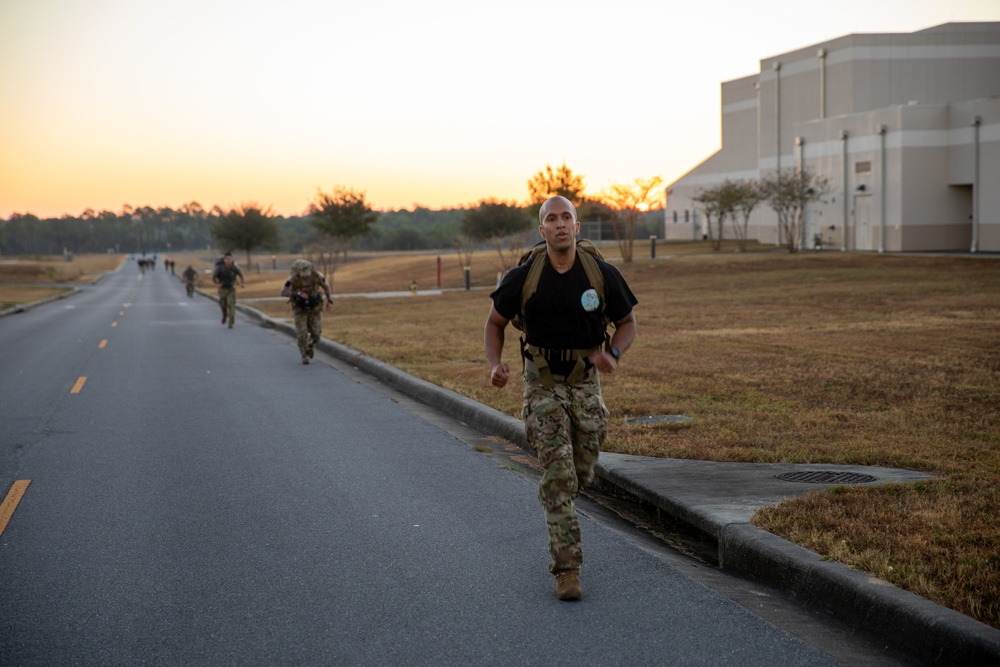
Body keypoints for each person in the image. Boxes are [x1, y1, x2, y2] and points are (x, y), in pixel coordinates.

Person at [484, 196, 637, 601]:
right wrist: (495, 364)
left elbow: (626, 322)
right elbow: (495, 322)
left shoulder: (599, 273)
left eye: (565, 217)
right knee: (558, 477)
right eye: (550, 219)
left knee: (581, 470)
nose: (559, 224)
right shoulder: (524, 276)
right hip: (542, 383)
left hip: (587, 383)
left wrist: (614, 354)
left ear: (577, 225)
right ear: (542, 230)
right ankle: (567, 569)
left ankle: (562, 498)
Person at [280, 259, 333, 364]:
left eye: (307, 275)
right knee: (301, 333)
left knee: (316, 333)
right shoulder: (293, 278)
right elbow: (283, 292)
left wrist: (330, 301)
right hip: (300, 308)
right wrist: (298, 293)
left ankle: (310, 345)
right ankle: (304, 355)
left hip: (315, 308)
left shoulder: (317, 276)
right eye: (303, 275)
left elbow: (327, 287)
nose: (305, 277)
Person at [212, 252, 245, 328]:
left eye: (230, 259)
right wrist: (217, 284)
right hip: (223, 289)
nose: (228, 260)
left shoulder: (234, 267)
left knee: (231, 305)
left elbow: (241, 275)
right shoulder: (220, 268)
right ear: (224, 260)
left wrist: (242, 283)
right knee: (223, 305)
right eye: (227, 259)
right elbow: (214, 276)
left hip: (231, 289)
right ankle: (224, 316)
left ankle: (231, 322)